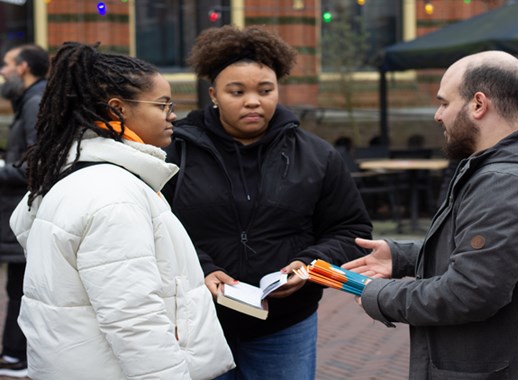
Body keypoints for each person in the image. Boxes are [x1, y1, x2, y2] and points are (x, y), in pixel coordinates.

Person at [9, 42, 234, 380]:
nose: (172, 114)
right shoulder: (113, 195)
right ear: (118, 110)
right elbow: (133, 317)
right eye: (162, 105)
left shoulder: (74, 177)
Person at [343, 50, 518, 379]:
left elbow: (470, 292)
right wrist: (405, 256)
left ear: (478, 104)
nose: (438, 115)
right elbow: (507, 256)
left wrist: (377, 293)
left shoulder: (505, 183)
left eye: (444, 103)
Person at [162, 25, 372, 379]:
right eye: (236, 91)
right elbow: (156, 227)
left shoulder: (318, 156)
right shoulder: (173, 153)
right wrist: (203, 268)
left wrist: (306, 266)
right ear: (213, 94)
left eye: (265, 90)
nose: (253, 101)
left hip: (285, 325)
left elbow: (350, 229)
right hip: (198, 320)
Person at [0, 44, 48, 378]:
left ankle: (18, 357)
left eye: (6, 65)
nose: (2, 72)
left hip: (25, 210)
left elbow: (36, 163)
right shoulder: (31, 99)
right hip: (21, 208)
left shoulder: (34, 101)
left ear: (23, 67)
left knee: (20, 286)